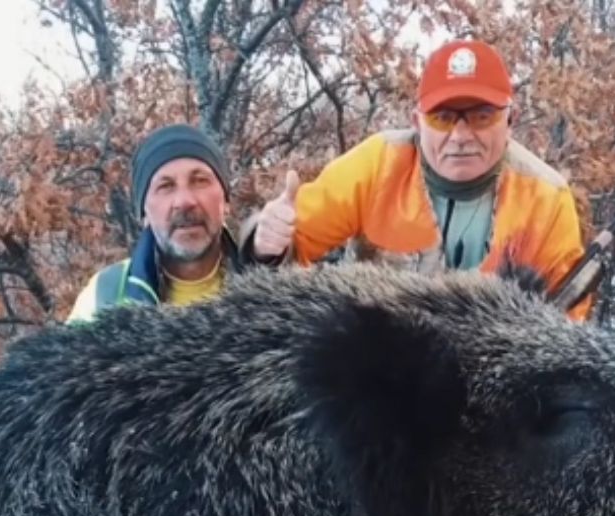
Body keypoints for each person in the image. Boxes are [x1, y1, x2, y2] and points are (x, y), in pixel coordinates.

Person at [245, 39, 594, 319]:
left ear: (511, 119)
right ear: (416, 121)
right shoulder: (377, 164)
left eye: (481, 116)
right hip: (381, 370)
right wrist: (267, 245)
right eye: (443, 118)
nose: (460, 135)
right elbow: (284, 254)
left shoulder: (546, 198)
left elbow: (568, 318)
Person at [68, 123, 252, 321]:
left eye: (199, 181)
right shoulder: (103, 296)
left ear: (225, 200)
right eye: (166, 186)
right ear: (144, 213)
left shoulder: (270, 287)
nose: (185, 201)